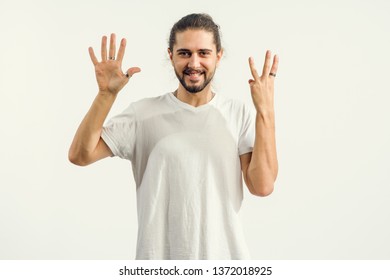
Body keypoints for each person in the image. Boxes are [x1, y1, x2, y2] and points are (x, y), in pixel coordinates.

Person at [68, 13, 278, 260]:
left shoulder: (236, 113)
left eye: (204, 53)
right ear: (171, 55)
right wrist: (106, 95)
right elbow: (80, 155)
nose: (194, 63)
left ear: (218, 56)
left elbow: (262, 186)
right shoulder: (143, 114)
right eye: (184, 53)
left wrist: (265, 110)